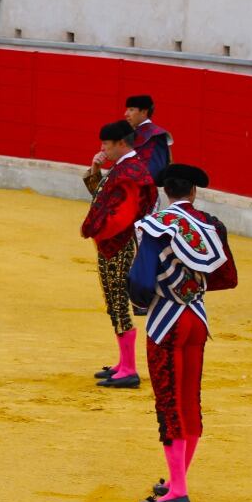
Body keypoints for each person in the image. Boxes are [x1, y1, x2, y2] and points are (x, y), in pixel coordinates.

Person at [126, 163, 235, 502]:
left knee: (169, 403)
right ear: (194, 192)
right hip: (197, 318)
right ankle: (177, 480)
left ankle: (178, 492)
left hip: (165, 320)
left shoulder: (154, 226)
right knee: (189, 399)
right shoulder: (211, 225)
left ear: (165, 192)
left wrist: (150, 299)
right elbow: (226, 276)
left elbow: (141, 286)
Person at [83, 121, 158, 389]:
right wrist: (95, 170)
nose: (103, 148)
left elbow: (121, 216)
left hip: (120, 243)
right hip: (114, 243)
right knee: (113, 301)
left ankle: (129, 368)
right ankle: (123, 361)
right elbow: (101, 198)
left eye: (106, 144)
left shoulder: (131, 171)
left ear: (121, 144)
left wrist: (99, 231)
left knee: (118, 301)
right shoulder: (124, 168)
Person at [124, 94, 173, 178]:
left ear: (144, 112)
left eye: (131, 110)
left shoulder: (155, 135)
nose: (126, 114)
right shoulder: (134, 133)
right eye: (127, 110)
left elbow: (155, 171)